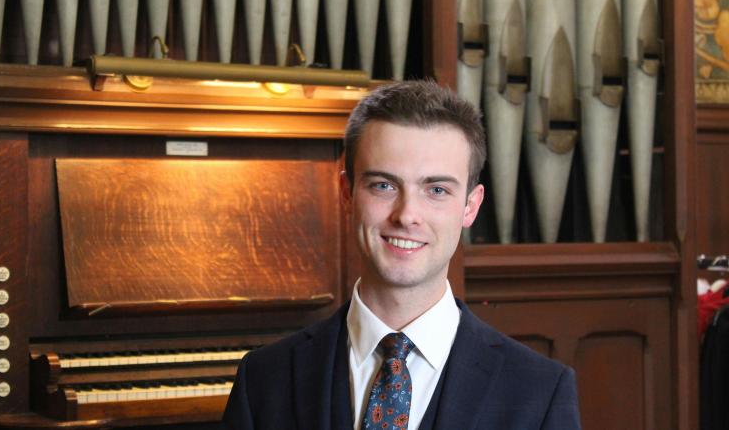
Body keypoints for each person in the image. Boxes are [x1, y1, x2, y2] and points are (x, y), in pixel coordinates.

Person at [223, 80, 582, 430]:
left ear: (470, 207)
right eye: (384, 185)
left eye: (437, 189)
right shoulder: (263, 379)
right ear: (347, 192)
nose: (407, 215)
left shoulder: (540, 392)